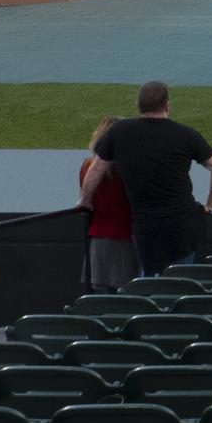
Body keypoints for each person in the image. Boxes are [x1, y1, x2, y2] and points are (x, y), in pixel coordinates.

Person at [83, 82, 212, 276]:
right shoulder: (185, 134)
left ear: (138, 105)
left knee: (149, 283)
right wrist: (210, 206)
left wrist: (84, 200)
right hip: (183, 225)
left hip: (147, 226)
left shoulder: (119, 131)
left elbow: (96, 169)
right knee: (180, 283)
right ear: (167, 105)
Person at [80, 115, 137, 291]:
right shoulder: (129, 169)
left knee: (101, 300)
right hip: (126, 239)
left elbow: (87, 199)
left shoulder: (87, 166)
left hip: (99, 239)